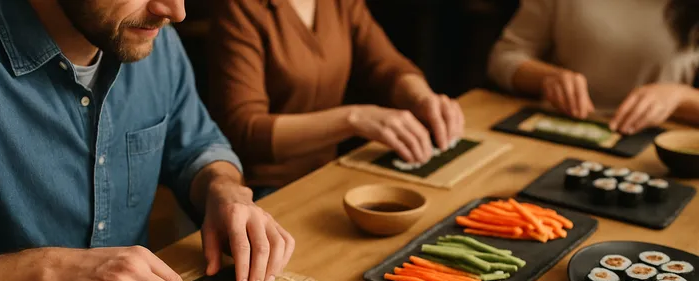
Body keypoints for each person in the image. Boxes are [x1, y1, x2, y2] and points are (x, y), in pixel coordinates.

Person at [0, 0, 295, 281]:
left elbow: (197, 147)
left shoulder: (149, 35)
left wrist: (223, 188)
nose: (175, 10)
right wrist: (58, 272)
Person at [208, 0, 465, 195]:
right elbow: (245, 129)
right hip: (262, 190)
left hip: (331, 171)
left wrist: (422, 98)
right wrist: (353, 119)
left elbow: (386, 65)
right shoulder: (237, 7)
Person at [487, 0, 699, 134]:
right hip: (559, 131)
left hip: (661, 145)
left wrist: (680, 96)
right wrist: (545, 78)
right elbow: (504, 56)